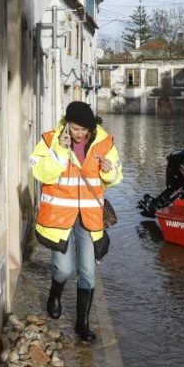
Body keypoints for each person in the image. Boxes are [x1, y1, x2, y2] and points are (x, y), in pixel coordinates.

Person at [30, 101, 123, 341]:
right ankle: (55, 294)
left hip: (89, 218)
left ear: (92, 127)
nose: (80, 134)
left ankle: (82, 324)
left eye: (84, 129)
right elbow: (39, 173)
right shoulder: (51, 140)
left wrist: (108, 170)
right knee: (63, 269)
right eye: (75, 128)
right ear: (67, 124)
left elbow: (115, 179)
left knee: (88, 273)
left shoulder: (105, 143)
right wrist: (59, 152)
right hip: (59, 217)